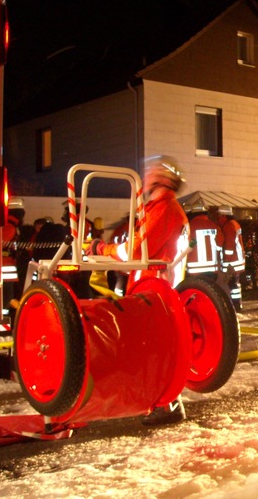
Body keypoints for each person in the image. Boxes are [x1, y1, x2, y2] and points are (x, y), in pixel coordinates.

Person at [86, 155, 189, 426]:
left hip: (155, 294)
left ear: (162, 179)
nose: (145, 178)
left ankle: (167, 405)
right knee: (153, 352)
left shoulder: (165, 208)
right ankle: (163, 403)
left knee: (156, 352)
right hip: (151, 291)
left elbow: (135, 251)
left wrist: (101, 250)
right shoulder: (158, 208)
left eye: (151, 174)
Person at [217, 205, 245, 311]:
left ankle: (235, 306)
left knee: (232, 285)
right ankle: (237, 304)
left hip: (232, 261)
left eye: (219, 215)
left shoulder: (229, 226)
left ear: (224, 215)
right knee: (235, 284)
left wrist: (226, 261)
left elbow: (229, 246)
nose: (218, 217)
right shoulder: (234, 224)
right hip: (237, 260)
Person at [186, 209, 223, 282]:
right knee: (211, 291)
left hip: (195, 269)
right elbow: (220, 243)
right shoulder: (214, 225)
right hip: (212, 268)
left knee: (198, 291)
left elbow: (187, 245)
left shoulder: (190, 226)